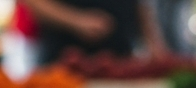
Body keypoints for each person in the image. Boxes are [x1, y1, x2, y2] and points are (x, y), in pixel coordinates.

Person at [19, 0, 169, 63]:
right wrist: (76, 21)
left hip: (120, 62)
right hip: (64, 63)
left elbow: (141, 5)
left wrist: (154, 44)